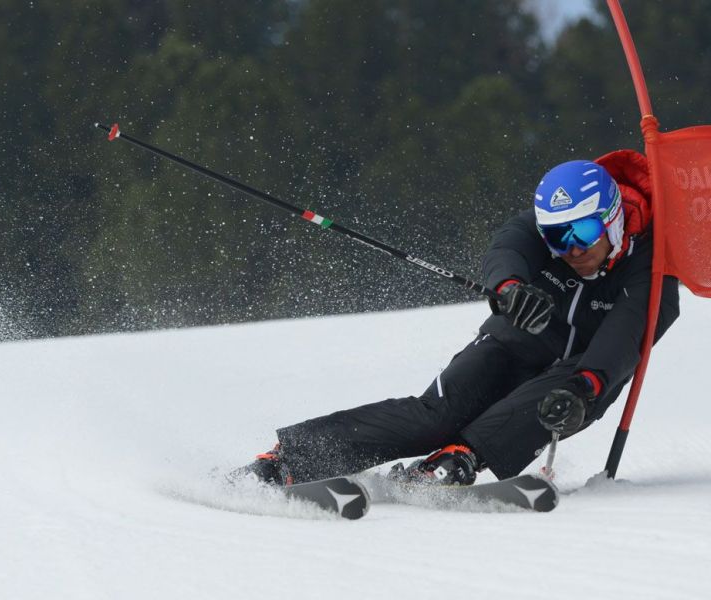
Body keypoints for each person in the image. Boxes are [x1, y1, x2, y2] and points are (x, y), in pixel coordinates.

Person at [246, 150, 681, 486]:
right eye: (556, 237)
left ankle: (458, 460)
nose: (571, 249)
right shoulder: (551, 233)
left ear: (614, 219)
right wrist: (509, 290)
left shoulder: (652, 264)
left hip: (583, 375)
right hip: (512, 345)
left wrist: (589, 387)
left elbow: (625, 337)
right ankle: (289, 459)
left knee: (550, 396)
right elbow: (509, 244)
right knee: (433, 417)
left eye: (583, 233)